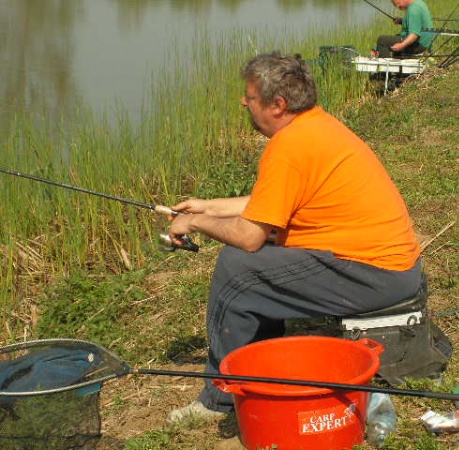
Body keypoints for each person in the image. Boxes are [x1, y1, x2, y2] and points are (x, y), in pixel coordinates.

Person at [166, 51, 425, 422]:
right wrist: (209, 207)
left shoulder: (289, 147)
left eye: (250, 97)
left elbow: (248, 237)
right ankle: (261, 364)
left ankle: (220, 400)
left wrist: (194, 223)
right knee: (254, 263)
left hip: (377, 274)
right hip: (389, 267)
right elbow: (274, 202)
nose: (243, 102)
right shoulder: (315, 126)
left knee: (238, 269)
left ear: (277, 104)